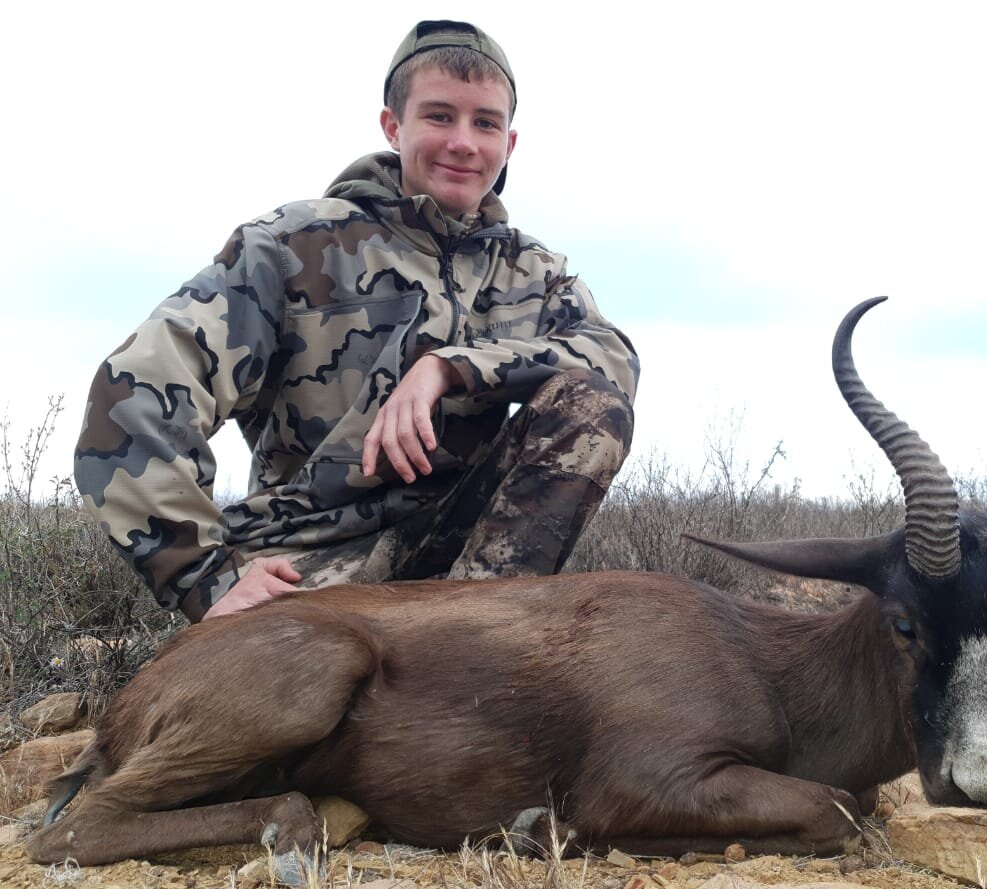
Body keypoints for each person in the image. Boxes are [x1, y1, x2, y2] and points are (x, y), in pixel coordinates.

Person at [73, 20, 638, 623]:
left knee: (590, 403)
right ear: (393, 127)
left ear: (510, 143)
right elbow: (132, 394)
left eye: (485, 123)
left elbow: (613, 359)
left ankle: (473, 643)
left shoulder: (533, 270)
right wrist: (204, 578)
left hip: (461, 557)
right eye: (439, 116)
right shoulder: (290, 246)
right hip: (308, 557)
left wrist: (451, 367)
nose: (464, 143)